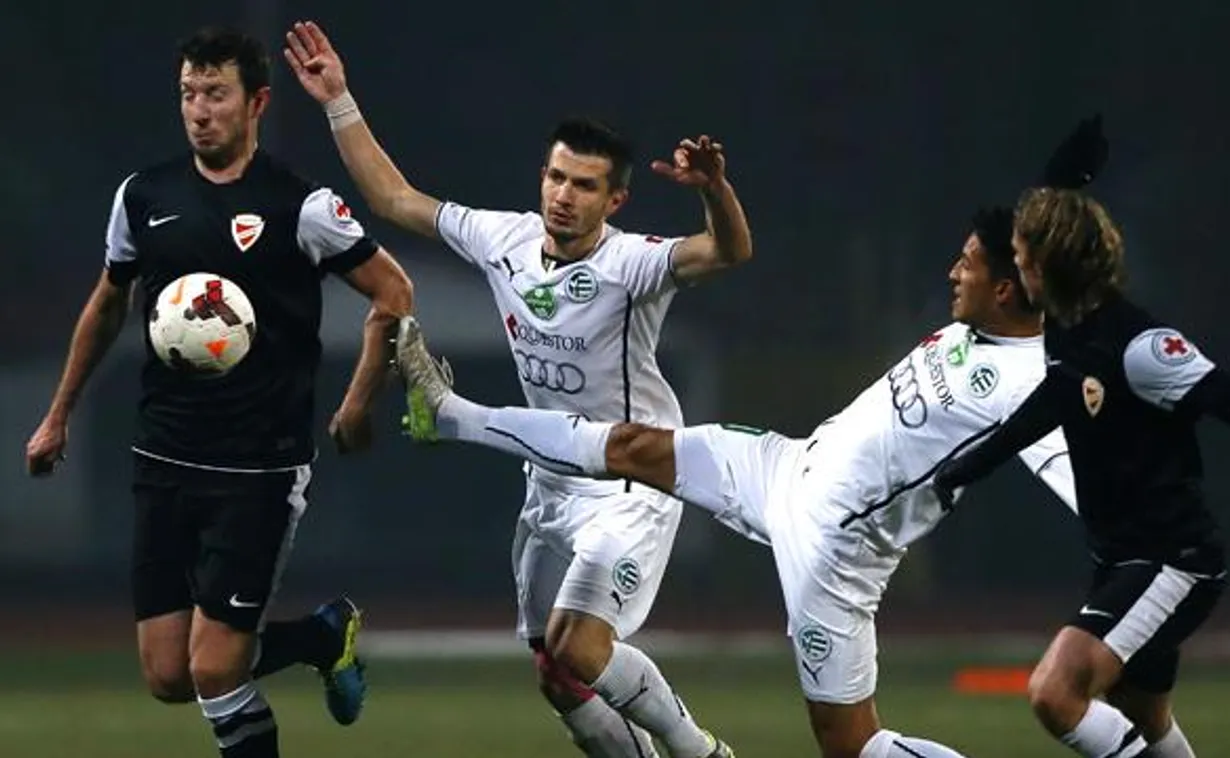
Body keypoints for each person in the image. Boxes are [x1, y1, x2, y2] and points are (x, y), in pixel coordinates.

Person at [386, 110, 1115, 755]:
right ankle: (453, 415)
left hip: (833, 546)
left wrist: (1142, 576)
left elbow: (1095, 489)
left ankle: (452, 415)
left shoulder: (1030, 384)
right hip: (785, 468)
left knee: (851, 745)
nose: (953, 271)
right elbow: (1029, 253)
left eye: (968, 264)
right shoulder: (982, 321)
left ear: (1007, 287)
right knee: (632, 445)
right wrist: (1062, 184)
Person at [283, 19, 752, 758]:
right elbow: (395, 199)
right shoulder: (503, 238)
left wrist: (715, 191)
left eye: (584, 186)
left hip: (630, 483)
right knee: (555, 675)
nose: (564, 196)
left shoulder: (633, 265)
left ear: (616, 201)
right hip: (549, 481)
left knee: (580, 648)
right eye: (556, 177)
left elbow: (728, 250)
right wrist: (338, 99)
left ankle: (700, 752)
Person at [23, 26, 414, 758]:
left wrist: (358, 401)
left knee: (213, 669)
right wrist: (58, 415)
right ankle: (321, 636)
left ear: (256, 102)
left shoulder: (300, 206)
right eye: (188, 94)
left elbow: (394, 291)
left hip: (257, 469)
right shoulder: (143, 196)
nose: (199, 111)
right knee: (168, 674)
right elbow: (108, 303)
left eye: (215, 94)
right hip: (162, 456)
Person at [930, 187, 1230, 758]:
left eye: (1020, 259)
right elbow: (1052, 401)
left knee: (1055, 693)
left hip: (1172, 562)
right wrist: (966, 467)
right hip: (1123, 560)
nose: (1015, 269)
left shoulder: (1140, 348)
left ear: (1046, 266)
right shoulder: (1066, 327)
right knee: (1142, 715)